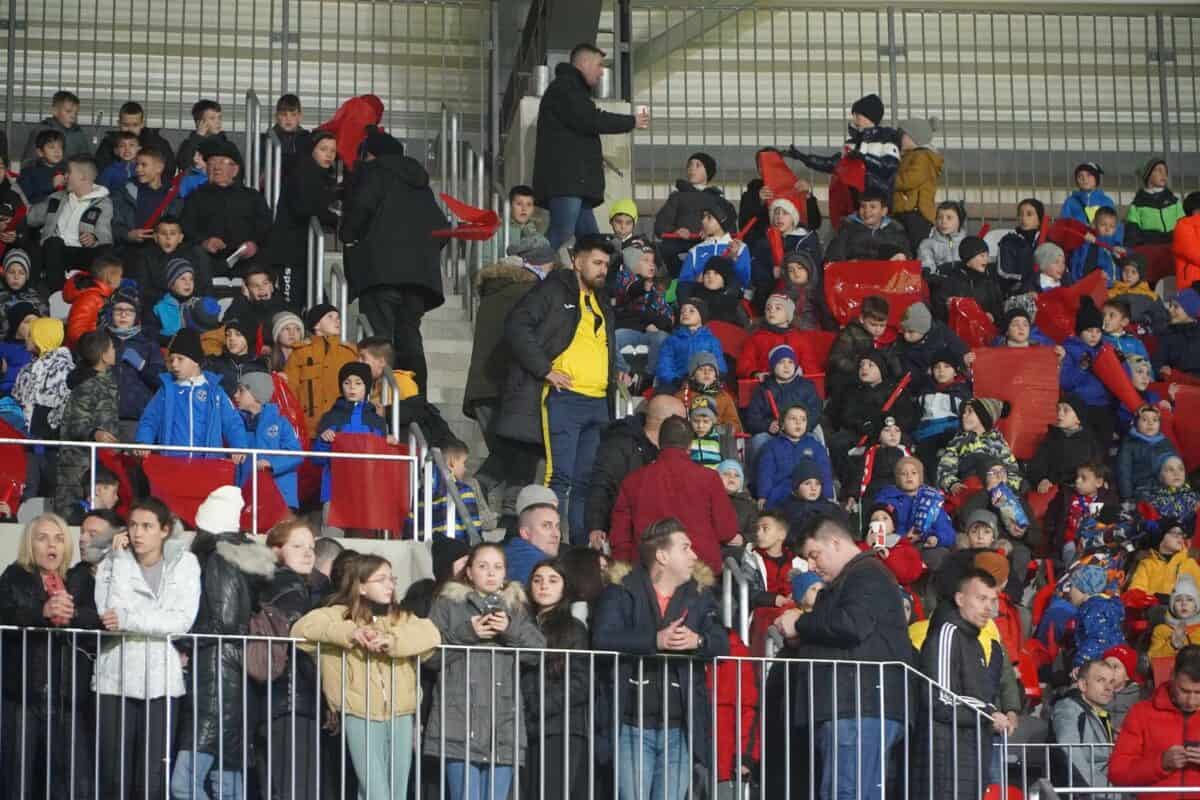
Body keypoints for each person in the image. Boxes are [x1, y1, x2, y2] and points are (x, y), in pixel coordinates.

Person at [772, 517, 912, 800]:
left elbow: (851, 623)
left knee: (847, 791)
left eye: (814, 555)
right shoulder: (857, 578)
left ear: (835, 542)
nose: (812, 565)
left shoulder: (866, 575)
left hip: (857, 705)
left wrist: (800, 623)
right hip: (851, 704)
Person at [592, 518, 729, 800]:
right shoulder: (620, 590)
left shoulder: (700, 596)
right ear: (662, 555)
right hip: (631, 723)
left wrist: (698, 641)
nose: (694, 554)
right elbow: (603, 637)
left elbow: (722, 642)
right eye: (686, 547)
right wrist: (654, 641)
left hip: (680, 727)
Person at [498, 233, 619, 542]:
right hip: (565, 398)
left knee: (584, 481)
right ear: (577, 261)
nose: (603, 269)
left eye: (606, 263)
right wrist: (545, 369)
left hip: (597, 402)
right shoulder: (552, 289)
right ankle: (550, 543)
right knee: (559, 476)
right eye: (596, 262)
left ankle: (576, 547)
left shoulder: (602, 300)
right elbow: (516, 325)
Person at [292, 553, 442, 800]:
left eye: (391, 578)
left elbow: (430, 634)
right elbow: (300, 629)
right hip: (359, 711)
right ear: (361, 586)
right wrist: (350, 633)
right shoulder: (339, 614)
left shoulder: (401, 617)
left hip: (401, 712)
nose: (389, 585)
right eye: (380, 579)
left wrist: (391, 641)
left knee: (397, 790)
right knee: (375, 790)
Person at [171, 486, 277, 800]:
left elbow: (224, 620)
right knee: (227, 786)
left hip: (216, 675)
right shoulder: (240, 557)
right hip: (229, 674)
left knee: (185, 785)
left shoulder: (218, 558)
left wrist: (184, 639)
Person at [94, 497, 201, 800]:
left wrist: (130, 619)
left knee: (153, 777)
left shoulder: (185, 564)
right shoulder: (112, 561)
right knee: (114, 776)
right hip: (115, 679)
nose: (138, 533)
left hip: (162, 682)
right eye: (133, 525)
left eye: (147, 526)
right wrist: (120, 560)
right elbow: (109, 612)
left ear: (164, 530)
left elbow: (181, 621)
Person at [425, 543, 547, 800]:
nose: (491, 573)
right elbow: (429, 655)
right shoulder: (447, 603)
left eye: (497, 567)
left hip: (504, 722)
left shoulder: (515, 607)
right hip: (459, 719)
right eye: (483, 566)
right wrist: (468, 633)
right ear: (469, 572)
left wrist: (510, 630)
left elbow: (539, 652)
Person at [0, 512, 100, 800]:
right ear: (30, 545)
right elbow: (7, 612)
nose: (50, 545)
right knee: (19, 781)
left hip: (68, 699)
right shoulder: (14, 577)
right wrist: (42, 613)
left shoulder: (79, 579)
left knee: (69, 784)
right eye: (42, 538)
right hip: (23, 698)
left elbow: (96, 617)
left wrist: (74, 614)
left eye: (58, 538)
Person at [340, 128, 447, 395]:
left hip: (380, 274)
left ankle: (382, 398)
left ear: (372, 154)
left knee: (380, 338)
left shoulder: (374, 173)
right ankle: (414, 397)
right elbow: (441, 226)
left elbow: (362, 207)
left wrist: (349, 235)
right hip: (418, 280)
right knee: (410, 338)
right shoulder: (420, 184)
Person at [532, 43, 648, 248]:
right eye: (599, 65)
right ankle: (527, 272)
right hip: (568, 180)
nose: (602, 72)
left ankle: (588, 278)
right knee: (562, 231)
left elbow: (580, 128)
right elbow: (590, 120)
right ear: (583, 63)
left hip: (575, 181)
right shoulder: (566, 88)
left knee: (591, 242)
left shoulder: (569, 89)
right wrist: (631, 121)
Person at [915, 568, 1016, 798]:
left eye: (993, 600)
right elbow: (939, 698)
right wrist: (989, 714)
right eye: (981, 599)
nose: (988, 607)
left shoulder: (976, 643)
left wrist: (988, 714)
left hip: (969, 754)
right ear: (960, 599)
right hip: (944, 757)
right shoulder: (947, 633)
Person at [609, 417, 740, 575]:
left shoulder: (633, 480)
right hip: (699, 571)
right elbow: (726, 531)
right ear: (690, 445)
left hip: (649, 572)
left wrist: (625, 571)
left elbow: (620, 537)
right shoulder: (709, 478)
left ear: (658, 442)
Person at [523, 559, 591, 800]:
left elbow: (581, 682)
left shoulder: (573, 629)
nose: (544, 586)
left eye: (553, 580)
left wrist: (541, 706)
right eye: (537, 580)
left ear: (564, 588)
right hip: (525, 728)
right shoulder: (522, 626)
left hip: (561, 727)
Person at [584, 394, 685, 551]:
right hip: (624, 537)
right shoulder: (619, 445)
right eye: (682, 420)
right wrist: (596, 527)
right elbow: (602, 485)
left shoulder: (674, 452)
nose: (686, 426)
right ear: (667, 422)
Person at [134, 329, 249, 457]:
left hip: (208, 466)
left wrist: (239, 447)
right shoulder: (166, 391)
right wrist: (144, 441)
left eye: (180, 359)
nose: (174, 364)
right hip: (172, 464)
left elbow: (232, 422)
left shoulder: (215, 391)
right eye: (171, 360)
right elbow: (150, 418)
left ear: (196, 361)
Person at [1109, 645, 1200, 798]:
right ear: (1172, 675)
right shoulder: (1141, 713)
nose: (1191, 701)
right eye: (1184, 690)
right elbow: (1117, 773)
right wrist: (1160, 763)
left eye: (1199, 692)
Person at [180, 139, 272, 281]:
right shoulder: (195, 197)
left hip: (247, 260)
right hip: (209, 261)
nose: (216, 167)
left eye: (222, 162)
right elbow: (186, 228)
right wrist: (205, 242)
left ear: (235, 170)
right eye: (211, 163)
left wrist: (253, 244)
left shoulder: (253, 197)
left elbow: (265, 228)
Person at [267, 129, 339, 305]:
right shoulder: (303, 172)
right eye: (323, 149)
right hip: (290, 253)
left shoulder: (320, 176)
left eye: (332, 151)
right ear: (312, 150)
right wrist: (336, 219)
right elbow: (305, 207)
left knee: (316, 304)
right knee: (290, 305)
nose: (329, 155)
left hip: (305, 252)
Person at [53, 330, 119, 518]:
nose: (115, 352)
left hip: (100, 461)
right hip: (79, 465)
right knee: (72, 517)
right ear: (104, 355)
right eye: (112, 348)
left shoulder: (108, 381)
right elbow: (75, 423)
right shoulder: (87, 385)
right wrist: (95, 434)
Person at [27, 154, 114, 292]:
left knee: (105, 251)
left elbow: (106, 234)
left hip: (83, 252)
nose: (64, 176)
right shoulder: (56, 198)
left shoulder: (103, 203)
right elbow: (30, 219)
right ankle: (57, 293)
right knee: (53, 242)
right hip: (55, 252)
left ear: (83, 177)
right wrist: (50, 189)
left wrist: (94, 238)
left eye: (68, 173)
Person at [284, 302, 359, 437]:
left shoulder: (349, 353)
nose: (337, 321)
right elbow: (290, 390)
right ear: (316, 325)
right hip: (307, 429)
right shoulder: (300, 353)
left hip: (342, 428)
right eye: (330, 317)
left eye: (338, 317)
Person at [232, 371, 303, 508]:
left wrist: (271, 463)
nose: (235, 395)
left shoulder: (281, 423)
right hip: (247, 495)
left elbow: (296, 454)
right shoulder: (236, 423)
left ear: (257, 395)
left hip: (279, 495)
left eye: (241, 391)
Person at [891, 119, 943, 249]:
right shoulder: (910, 155)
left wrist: (889, 181)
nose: (898, 139)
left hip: (916, 213)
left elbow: (910, 179)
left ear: (912, 137)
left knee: (916, 247)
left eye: (901, 135)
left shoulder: (922, 156)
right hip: (906, 211)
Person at [822, 188, 912, 262]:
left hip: (887, 278)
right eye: (863, 206)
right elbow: (833, 256)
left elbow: (908, 258)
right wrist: (846, 264)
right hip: (854, 278)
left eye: (872, 207)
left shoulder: (896, 231)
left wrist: (902, 257)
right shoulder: (847, 229)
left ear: (884, 211)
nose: (867, 211)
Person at [95, 101, 178, 179]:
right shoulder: (109, 143)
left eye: (135, 125)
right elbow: (100, 170)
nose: (130, 129)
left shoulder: (156, 143)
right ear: (119, 123)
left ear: (142, 124)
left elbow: (169, 170)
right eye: (126, 125)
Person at [504, 496, 562, 584]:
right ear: (525, 533)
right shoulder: (541, 566)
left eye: (557, 526)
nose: (556, 534)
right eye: (546, 526)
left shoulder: (504, 553)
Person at [21, 90, 89, 161]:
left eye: (76, 113)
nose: (73, 116)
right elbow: (28, 161)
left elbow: (86, 160)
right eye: (68, 111)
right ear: (55, 111)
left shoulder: (78, 133)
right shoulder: (41, 131)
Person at [175, 99, 230, 178]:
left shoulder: (225, 143)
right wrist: (198, 137)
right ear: (199, 123)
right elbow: (184, 165)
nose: (218, 122)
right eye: (212, 118)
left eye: (219, 118)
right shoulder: (189, 144)